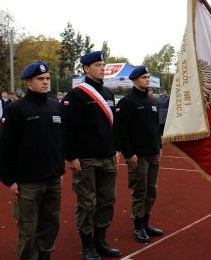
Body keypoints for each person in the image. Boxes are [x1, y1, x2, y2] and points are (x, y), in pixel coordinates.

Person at [0, 62, 64, 260]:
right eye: (40, 79)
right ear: (28, 82)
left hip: (52, 177)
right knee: (28, 228)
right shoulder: (17, 108)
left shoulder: (55, 105)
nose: (45, 82)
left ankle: (45, 255)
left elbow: (59, 141)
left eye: (47, 78)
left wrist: (59, 170)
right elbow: (6, 146)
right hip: (28, 181)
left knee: (51, 223)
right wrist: (10, 180)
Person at [62, 51, 121, 260]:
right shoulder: (76, 96)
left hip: (107, 156)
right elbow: (68, 130)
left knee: (107, 201)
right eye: (97, 65)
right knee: (86, 203)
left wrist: (116, 149)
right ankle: (87, 246)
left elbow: (113, 127)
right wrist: (72, 157)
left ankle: (100, 241)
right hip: (86, 159)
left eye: (103, 64)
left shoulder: (108, 94)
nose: (102, 67)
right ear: (86, 69)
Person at [116, 66, 163, 243]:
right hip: (138, 155)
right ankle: (138, 227)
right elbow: (122, 130)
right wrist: (129, 154)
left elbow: (154, 127)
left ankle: (146, 222)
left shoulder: (152, 101)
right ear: (135, 80)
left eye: (148, 76)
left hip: (153, 152)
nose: (147, 79)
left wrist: (159, 145)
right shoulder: (127, 102)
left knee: (152, 190)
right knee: (140, 191)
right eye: (144, 77)